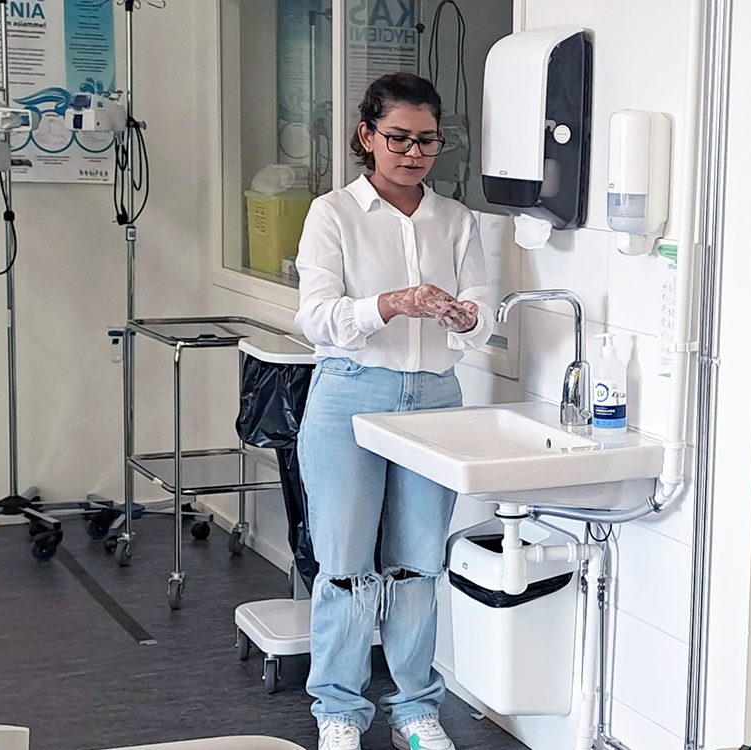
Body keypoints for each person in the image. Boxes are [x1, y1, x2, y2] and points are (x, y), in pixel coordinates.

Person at [294, 72, 492, 750]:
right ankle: (339, 712)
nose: (412, 152)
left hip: (435, 399)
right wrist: (390, 303)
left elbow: (482, 319)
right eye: (398, 138)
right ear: (367, 136)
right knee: (346, 565)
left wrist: (467, 316)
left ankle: (415, 708)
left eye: (426, 140)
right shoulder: (333, 213)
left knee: (416, 564)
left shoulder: (456, 219)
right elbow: (314, 319)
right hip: (352, 392)